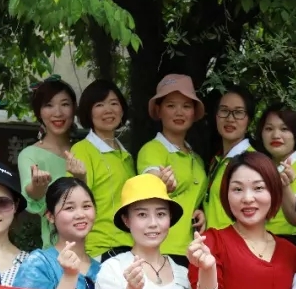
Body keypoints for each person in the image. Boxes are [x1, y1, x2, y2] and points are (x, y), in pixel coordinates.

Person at [189, 152, 296, 289]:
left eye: (258, 188)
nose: (247, 198)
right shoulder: (210, 243)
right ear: (226, 194)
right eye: (238, 189)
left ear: (274, 191)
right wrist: (207, 271)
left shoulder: (289, 251)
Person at [136, 74, 208, 263]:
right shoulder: (152, 149)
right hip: (162, 249)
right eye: (171, 105)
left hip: (192, 251)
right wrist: (159, 185)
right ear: (158, 110)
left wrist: (199, 211)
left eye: (186, 106)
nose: (179, 112)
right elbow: (150, 183)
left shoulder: (196, 158)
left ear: (194, 112)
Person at [96, 174, 192, 289]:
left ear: (169, 217)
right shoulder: (113, 269)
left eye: (160, 214)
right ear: (126, 220)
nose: (153, 223)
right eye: (142, 214)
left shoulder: (182, 273)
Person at [17, 76, 88, 247]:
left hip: (97, 244)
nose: (58, 113)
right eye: (49, 105)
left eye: (65, 104)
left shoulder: (85, 150)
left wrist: (81, 178)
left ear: (74, 109)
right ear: (39, 112)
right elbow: (31, 197)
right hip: (57, 248)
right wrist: (38, 187)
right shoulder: (29, 155)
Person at [71, 79, 137, 259]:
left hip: (130, 247)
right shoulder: (82, 150)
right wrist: (80, 178)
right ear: (88, 112)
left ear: (122, 109)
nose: (108, 110)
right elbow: (75, 203)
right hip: (99, 249)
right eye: (99, 105)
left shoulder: (126, 156)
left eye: (114, 103)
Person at [13, 177, 101, 289]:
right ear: (50, 216)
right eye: (69, 208)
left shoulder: (103, 270)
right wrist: (68, 276)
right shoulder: (39, 263)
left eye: (86, 206)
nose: (80, 215)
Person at [255, 104, 296, 236]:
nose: (276, 135)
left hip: (291, 243)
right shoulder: (258, 168)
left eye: (284, 129)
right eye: (269, 128)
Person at [203, 86, 255, 231]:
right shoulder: (218, 159)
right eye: (224, 110)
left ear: (249, 120)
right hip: (212, 241)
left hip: (234, 242)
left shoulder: (251, 162)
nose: (230, 119)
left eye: (238, 112)